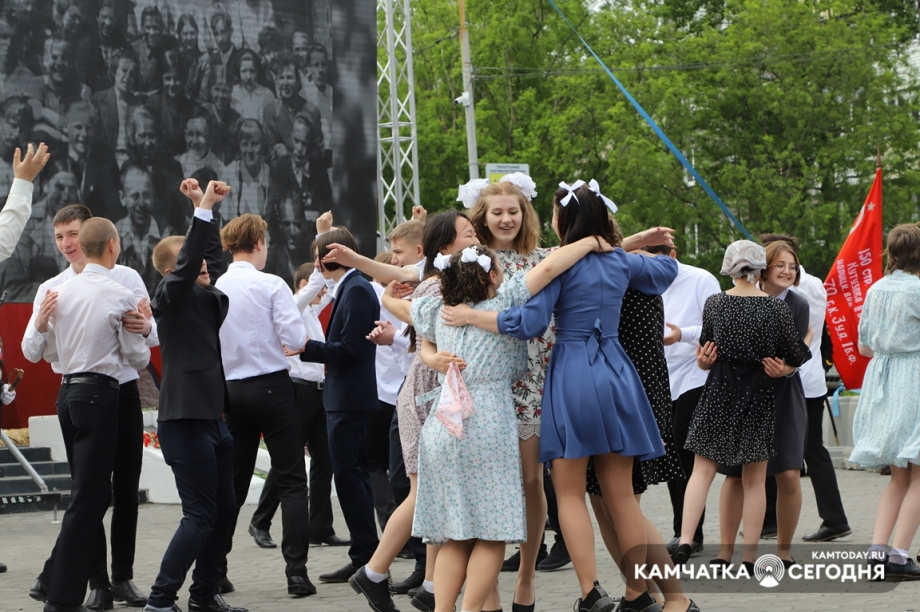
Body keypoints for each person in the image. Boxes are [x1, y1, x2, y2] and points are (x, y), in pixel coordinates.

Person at [441, 180, 679, 612]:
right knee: (622, 497)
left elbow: (528, 323)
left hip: (573, 374)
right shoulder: (620, 263)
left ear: (562, 220)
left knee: (568, 494)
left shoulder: (561, 266)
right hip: (618, 372)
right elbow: (667, 272)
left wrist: (473, 315)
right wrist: (634, 250)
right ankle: (639, 593)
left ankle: (590, 591)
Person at [400, 237, 617, 612]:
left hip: (441, 426)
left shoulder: (439, 309)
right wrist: (592, 240)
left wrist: (394, 304)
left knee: (454, 536)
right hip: (486, 423)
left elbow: (398, 306)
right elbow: (549, 267)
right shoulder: (506, 302)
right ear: (492, 275)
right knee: (492, 535)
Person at [319, 211, 477, 611]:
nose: (478, 238)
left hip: (437, 392)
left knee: (439, 492)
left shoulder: (458, 277)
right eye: (469, 233)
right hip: (425, 394)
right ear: (444, 247)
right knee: (425, 491)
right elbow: (408, 300)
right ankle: (374, 572)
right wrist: (387, 296)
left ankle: (428, 585)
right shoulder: (433, 285)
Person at [22, 201, 158, 611]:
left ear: (92, 235)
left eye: (73, 234)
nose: (67, 243)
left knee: (124, 488)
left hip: (123, 390)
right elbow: (32, 351)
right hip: (86, 392)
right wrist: (42, 323)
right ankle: (95, 583)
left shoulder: (127, 277)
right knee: (90, 492)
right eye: (60, 236)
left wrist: (145, 325)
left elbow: (150, 338)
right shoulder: (52, 288)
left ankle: (121, 578)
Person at [673, 240, 811, 573]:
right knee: (754, 480)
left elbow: (708, 349)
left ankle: (685, 539)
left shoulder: (715, 303)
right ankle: (749, 557)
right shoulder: (775, 308)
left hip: (718, 392)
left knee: (702, 472)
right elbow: (794, 355)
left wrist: (706, 361)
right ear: (760, 268)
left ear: (729, 267)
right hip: (757, 394)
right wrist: (805, 343)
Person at [143, 178, 247, 612]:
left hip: (213, 420)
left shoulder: (205, 294)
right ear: (173, 272)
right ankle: (161, 599)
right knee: (200, 515)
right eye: (196, 265)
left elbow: (207, 258)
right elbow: (189, 264)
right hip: (184, 422)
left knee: (224, 513)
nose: (207, 267)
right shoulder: (171, 295)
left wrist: (200, 210)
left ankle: (204, 596)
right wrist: (201, 207)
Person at [214, 212, 313, 597]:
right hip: (272, 387)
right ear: (258, 244)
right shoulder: (271, 283)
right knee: (291, 481)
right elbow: (295, 337)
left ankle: (217, 569)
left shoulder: (218, 284)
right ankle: (297, 574)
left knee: (233, 484)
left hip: (233, 391)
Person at [714, 240, 811, 568]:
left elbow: (798, 351)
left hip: (784, 397)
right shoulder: (736, 299)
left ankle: (784, 551)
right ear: (763, 267)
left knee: (788, 475)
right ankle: (725, 552)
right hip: (742, 394)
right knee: (735, 475)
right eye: (781, 264)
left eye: (792, 267)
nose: (787, 271)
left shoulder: (798, 304)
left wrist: (788, 368)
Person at [292, 226, 380, 585]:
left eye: (318, 257)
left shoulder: (357, 290)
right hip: (346, 396)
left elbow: (351, 350)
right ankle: (366, 554)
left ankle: (366, 556)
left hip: (350, 397)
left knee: (350, 476)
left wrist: (306, 347)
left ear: (327, 258)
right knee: (350, 476)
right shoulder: (349, 287)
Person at [758, 234, 851, 543]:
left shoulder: (801, 289)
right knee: (798, 449)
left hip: (799, 378)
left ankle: (832, 518)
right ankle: (774, 519)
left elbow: (805, 335)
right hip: (802, 376)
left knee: (802, 450)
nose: (784, 269)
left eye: (787, 263)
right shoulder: (808, 283)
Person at [248, 258, 344, 550]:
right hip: (298, 390)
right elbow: (310, 292)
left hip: (318, 391)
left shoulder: (312, 312)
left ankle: (320, 528)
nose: (323, 293)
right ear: (305, 285)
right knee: (287, 461)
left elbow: (327, 293)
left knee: (324, 460)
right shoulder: (295, 305)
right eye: (318, 287)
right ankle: (260, 521)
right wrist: (320, 254)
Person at [849, 224, 920, 580]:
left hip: (883, 379)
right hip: (915, 377)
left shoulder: (876, 289)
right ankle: (899, 556)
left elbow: (864, 346)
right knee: (919, 476)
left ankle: (877, 553)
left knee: (898, 478)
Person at [659, 246, 721, 557]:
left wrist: (682, 334)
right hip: (661, 379)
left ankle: (691, 534)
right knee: (670, 454)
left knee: (686, 452)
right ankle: (681, 530)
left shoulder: (701, 279)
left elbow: (717, 329)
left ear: (671, 254)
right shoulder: (642, 283)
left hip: (696, 374)